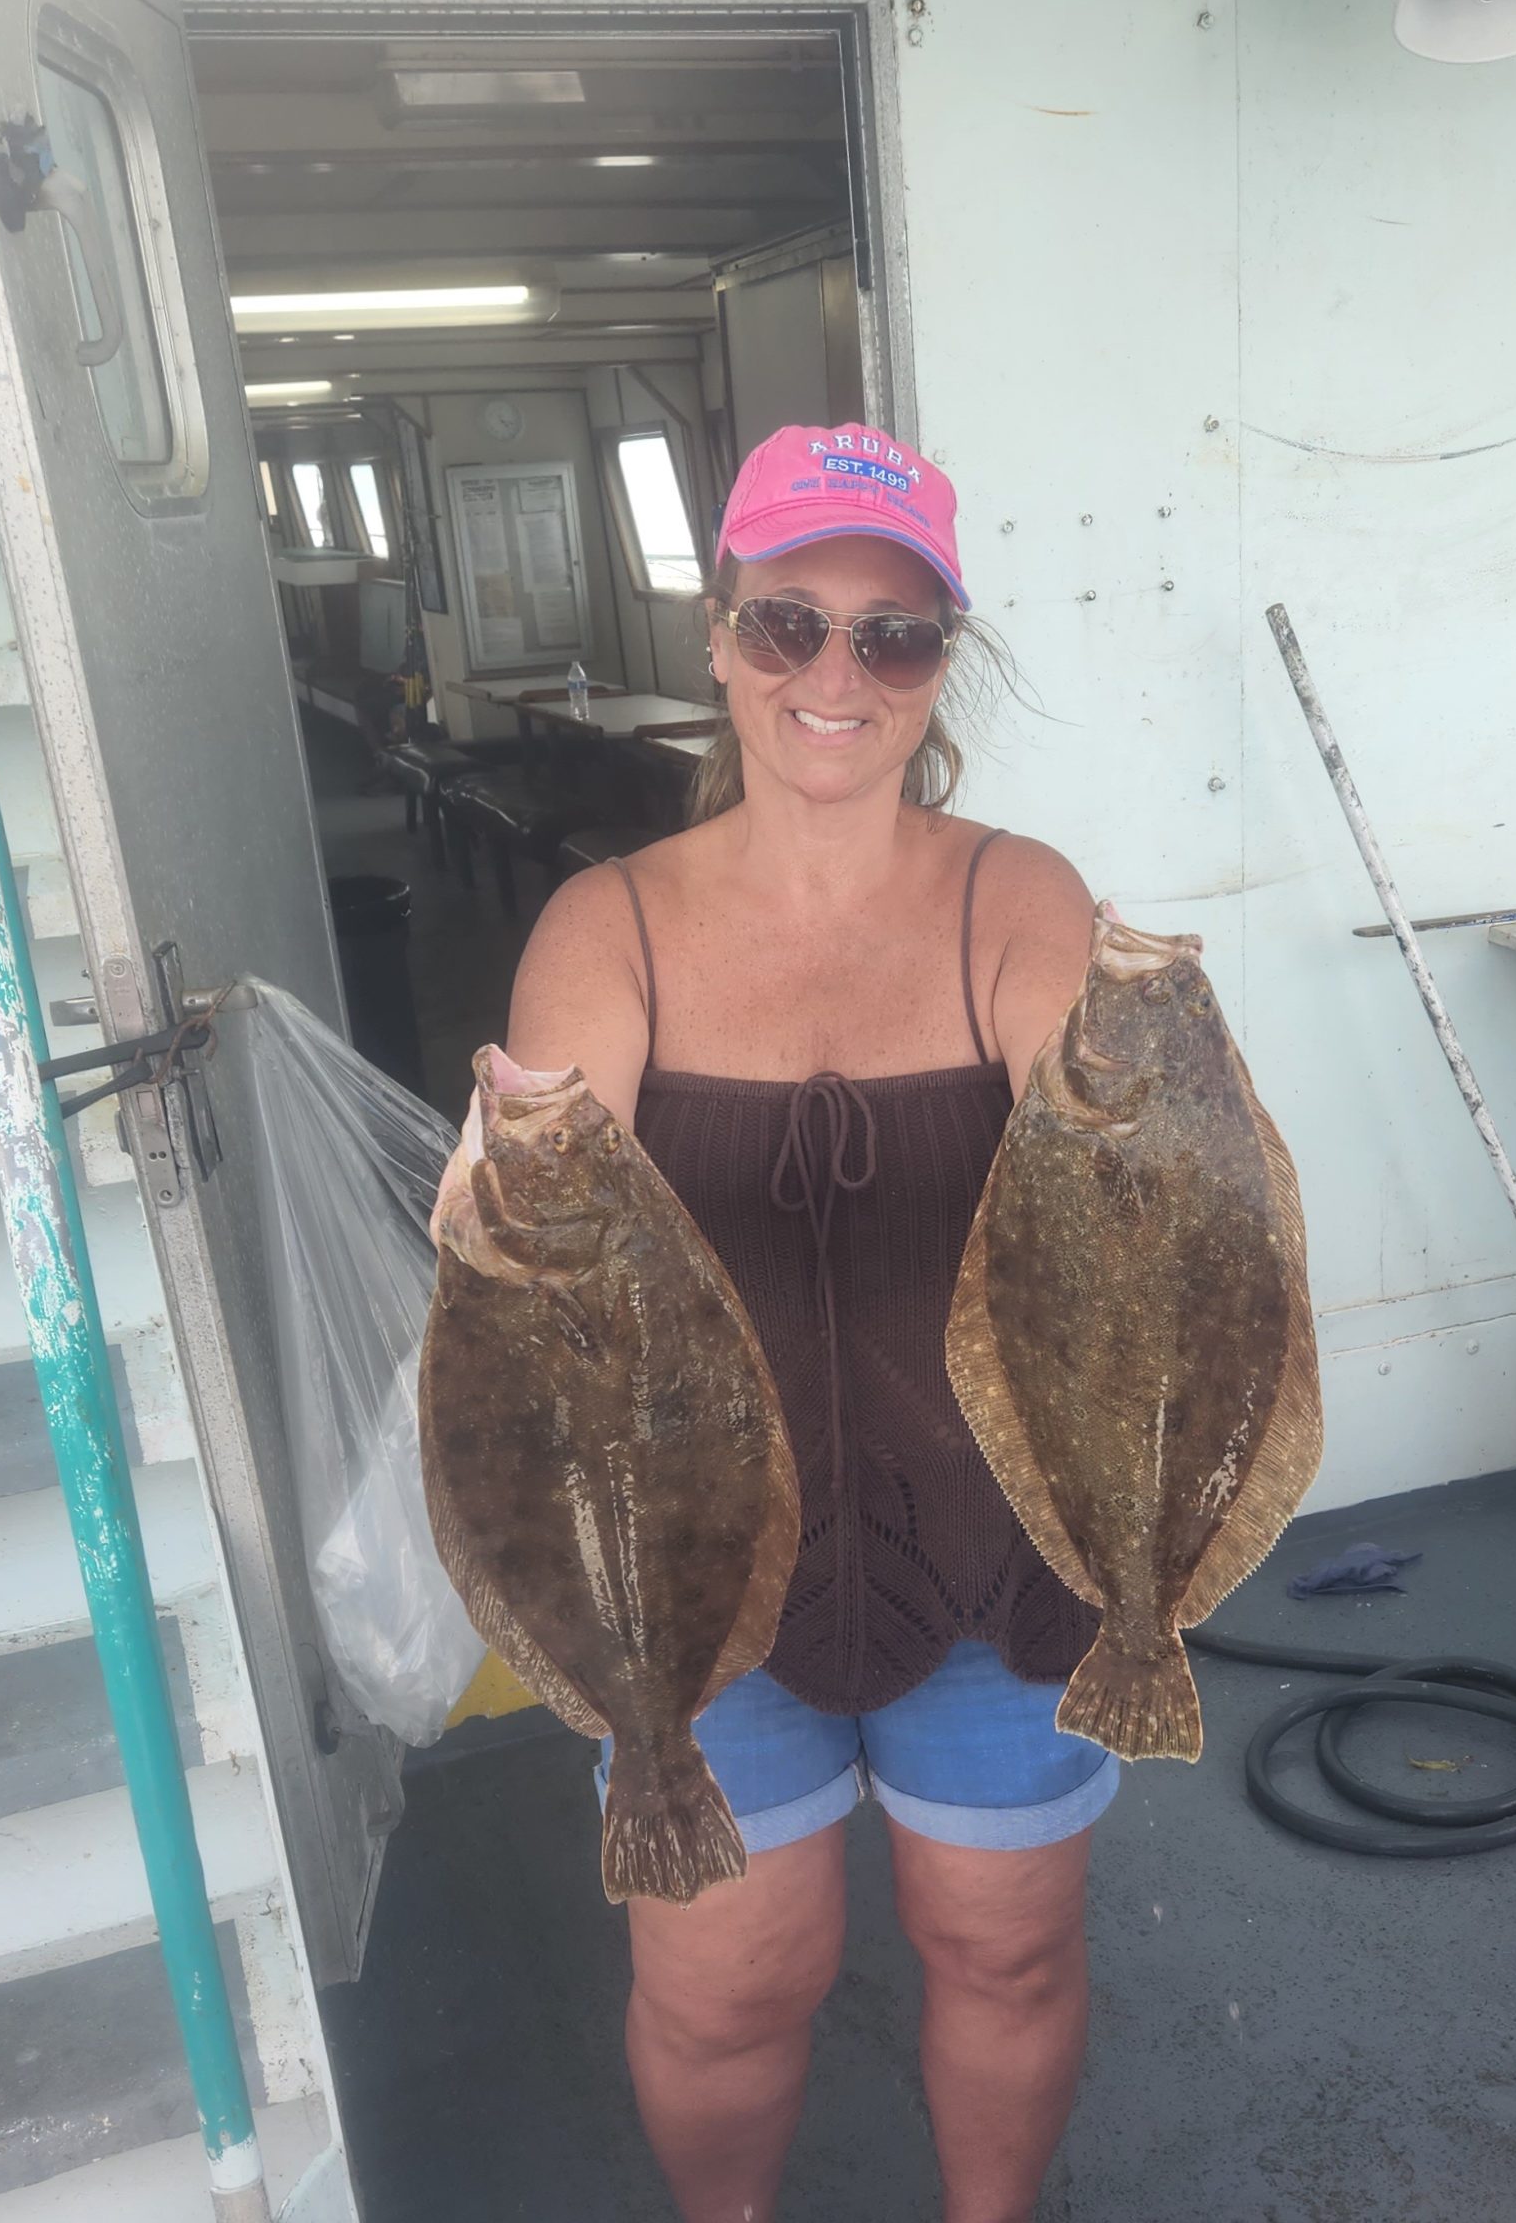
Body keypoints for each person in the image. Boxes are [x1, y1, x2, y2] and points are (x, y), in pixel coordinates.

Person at [505, 424, 1108, 2223]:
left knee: (1001, 1947)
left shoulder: (1018, 896)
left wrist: (1164, 1112)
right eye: (788, 623)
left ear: (938, 664)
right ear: (719, 638)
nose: (834, 675)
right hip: (692, 1571)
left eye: (891, 636)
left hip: (998, 1540)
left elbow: (1117, 1178)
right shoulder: (607, 926)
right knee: (723, 1987)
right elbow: (547, 1272)